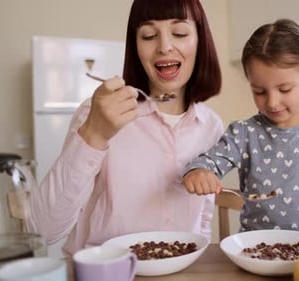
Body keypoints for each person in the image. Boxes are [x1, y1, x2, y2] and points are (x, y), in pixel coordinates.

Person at [26, 0, 224, 256]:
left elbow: (203, 218)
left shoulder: (211, 126)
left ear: (200, 41)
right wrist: (94, 135)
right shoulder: (96, 114)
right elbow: (43, 231)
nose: (164, 47)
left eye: (180, 33)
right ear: (136, 46)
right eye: (149, 35)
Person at [182, 18, 299, 241]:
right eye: (259, 91)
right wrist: (198, 172)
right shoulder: (243, 133)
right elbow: (208, 162)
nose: (273, 102)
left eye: (284, 89)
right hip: (255, 252)